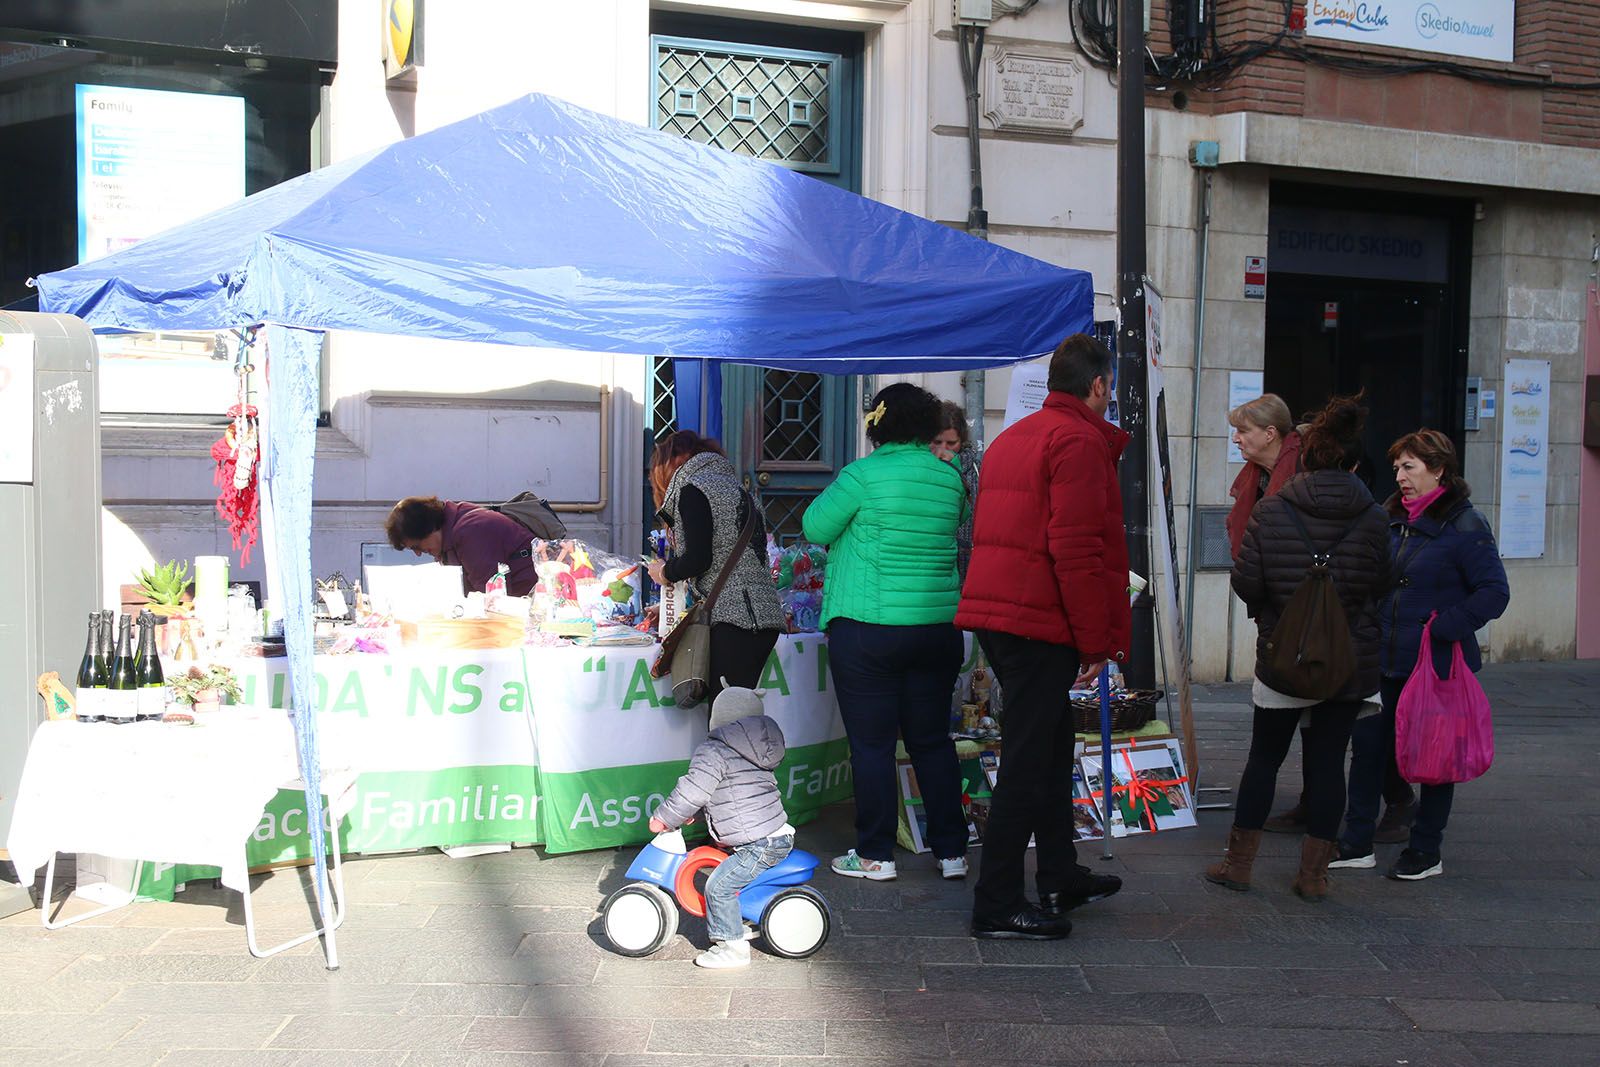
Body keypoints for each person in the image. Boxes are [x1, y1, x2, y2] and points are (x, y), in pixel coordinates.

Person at [954, 334, 1129, 940]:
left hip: (1006, 614)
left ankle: (1058, 873)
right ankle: (996, 901)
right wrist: (1093, 642)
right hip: (1038, 619)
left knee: (1051, 749)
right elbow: (1076, 551)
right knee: (1030, 760)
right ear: (1099, 385)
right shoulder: (1077, 439)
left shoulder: (1017, 434)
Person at [1207, 394, 1391, 902]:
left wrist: (1280, 615)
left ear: (1305, 456)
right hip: (1347, 657)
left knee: (1264, 757)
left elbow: (1247, 581)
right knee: (1329, 763)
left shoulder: (1273, 509)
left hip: (1284, 654)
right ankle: (1313, 876)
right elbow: (1384, 581)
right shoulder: (1375, 518)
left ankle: (1239, 864)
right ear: (1354, 462)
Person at [802, 383, 970, 884]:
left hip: (869, 628)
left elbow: (814, 526)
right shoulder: (949, 479)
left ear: (879, 426)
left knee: (872, 745)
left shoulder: (862, 475)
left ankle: (875, 854)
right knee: (932, 742)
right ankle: (952, 851)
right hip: (936, 628)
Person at [1330, 429, 1509, 881]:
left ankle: (1426, 851)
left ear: (1439, 470)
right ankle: (1356, 843)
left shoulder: (1466, 525)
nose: (1400, 477)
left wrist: (1442, 627)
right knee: (1368, 750)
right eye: (1396, 468)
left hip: (1434, 666)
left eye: (1409, 467)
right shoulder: (1392, 518)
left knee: (1433, 759)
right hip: (1383, 658)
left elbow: (1493, 592)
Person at [649, 683, 793, 969]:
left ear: (719, 717)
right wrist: (698, 814)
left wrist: (666, 817)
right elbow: (734, 793)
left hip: (758, 844)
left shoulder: (714, 750)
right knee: (725, 874)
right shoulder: (758, 747)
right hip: (770, 834)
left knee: (718, 886)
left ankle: (732, 947)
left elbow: (692, 789)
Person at [646, 431, 785, 702]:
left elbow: (699, 559)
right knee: (739, 714)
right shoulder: (739, 490)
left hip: (734, 620)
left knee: (726, 721)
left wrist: (663, 573)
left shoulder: (693, 490)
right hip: (763, 618)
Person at [385, 495, 537, 596]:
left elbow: (490, 596)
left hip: (530, 603)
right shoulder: (456, 529)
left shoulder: (471, 531)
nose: (418, 553)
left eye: (416, 546)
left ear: (429, 528)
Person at [932, 400, 980, 581]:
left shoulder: (975, 469)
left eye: (951, 443)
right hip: (934, 562)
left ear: (962, 440)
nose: (943, 449)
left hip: (967, 561)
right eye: (937, 442)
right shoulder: (921, 468)